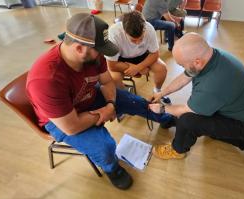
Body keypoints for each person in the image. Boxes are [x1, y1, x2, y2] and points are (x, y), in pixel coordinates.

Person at [26, 13, 175, 190]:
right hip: (61, 121)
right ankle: (112, 169)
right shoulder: (46, 79)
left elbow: (106, 81)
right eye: (100, 49)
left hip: (87, 98)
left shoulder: (92, 55)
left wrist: (111, 104)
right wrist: (104, 112)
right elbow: (71, 126)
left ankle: (162, 118)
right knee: (106, 147)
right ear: (80, 49)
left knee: (132, 101)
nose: (103, 55)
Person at [149, 33, 244, 184]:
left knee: (187, 121)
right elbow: (185, 77)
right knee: (210, 128)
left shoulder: (213, 84)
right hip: (241, 110)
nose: (182, 68)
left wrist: (162, 109)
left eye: (182, 65)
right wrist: (162, 93)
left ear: (197, 62)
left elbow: (187, 110)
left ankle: (177, 150)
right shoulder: (209, 56)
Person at [105, 11, 171, 104]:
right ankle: (126, 98)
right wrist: (137, 69)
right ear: (124, 31)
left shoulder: (149, 28)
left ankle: (157, 92)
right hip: (121, 59)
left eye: (141, 38)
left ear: (144, 29)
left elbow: (155, 54)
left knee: (162, 68)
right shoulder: (114, 33)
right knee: (114, 78)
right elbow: (111, 65)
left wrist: (139, 67)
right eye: (133, 40)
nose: (138, 43)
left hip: (142, 55)